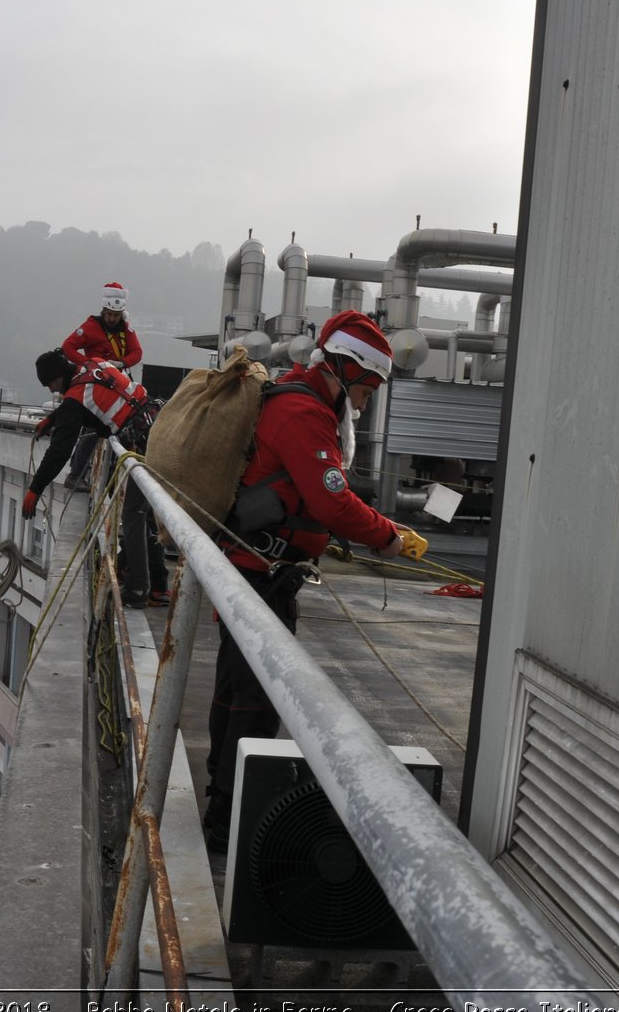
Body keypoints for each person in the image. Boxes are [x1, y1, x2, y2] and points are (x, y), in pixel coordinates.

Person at [201, 310, 413, 854]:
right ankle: (226, 822)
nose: (369, 399)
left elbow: (316, 497)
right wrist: (387, 535)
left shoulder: (302, 402)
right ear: (346, 368)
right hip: (260, 578)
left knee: (236, 690)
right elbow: (330, 499)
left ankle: (219, 805)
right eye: (369, 386)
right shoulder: (302, 412)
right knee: (255, 699)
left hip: (255, 572)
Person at [24, 350, 163, 605]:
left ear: (57, 377)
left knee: (133, 514)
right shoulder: (94, 364)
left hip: (142, 441)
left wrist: (35, 488)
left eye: (50, 385)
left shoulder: (74, 398)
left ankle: (138, 590)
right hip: (158, 420)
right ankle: (152, 583)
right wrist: (52, 419)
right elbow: (97, 392)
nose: (52, 391)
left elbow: (59, 451)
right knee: (144, 512)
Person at [60, 282, 144, 489]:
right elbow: (67, 347)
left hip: (115, 387)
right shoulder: (91, 327)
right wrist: (88, 366)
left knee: (119, 426)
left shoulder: (126, 330)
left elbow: (136, 353)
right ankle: (76, 475)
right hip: (94, 386)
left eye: (115, 315)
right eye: (108, 314)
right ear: (103, 311)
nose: (111, 319)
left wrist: (121, 363)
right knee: (91, 428)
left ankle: (105, 479)